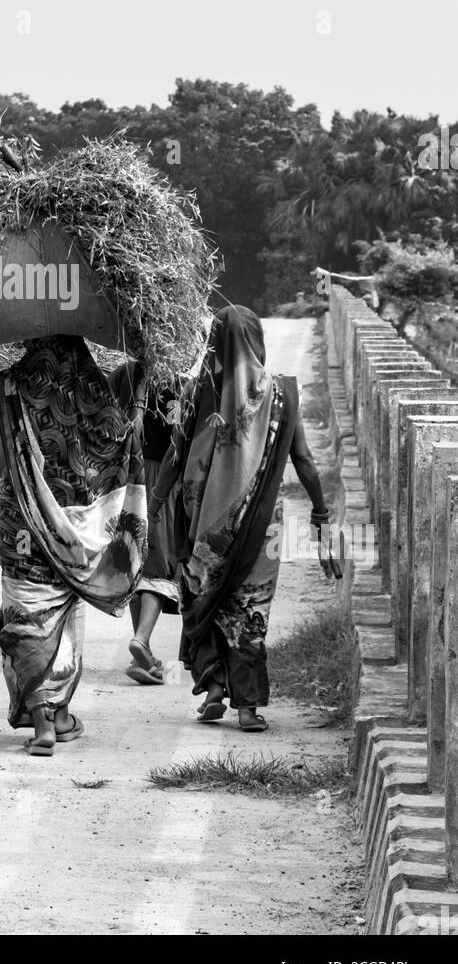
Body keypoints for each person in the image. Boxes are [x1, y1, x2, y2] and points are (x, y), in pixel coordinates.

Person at [0, 334, 148, 755]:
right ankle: (59, 714)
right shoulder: (94, 389)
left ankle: (44, 723)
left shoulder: (4, 385)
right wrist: (143, 378)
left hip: (21, 521)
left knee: (28, 613)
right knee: (65, 615)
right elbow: (122, 438)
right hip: (75, 527)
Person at [149, 306, 329, 732]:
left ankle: (213, 688)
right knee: (249, 608)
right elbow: (302, 458)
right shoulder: (282, 393)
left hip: (203, 526)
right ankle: (247, 708)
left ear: (215, 342)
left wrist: (153, 508)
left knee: (203, 600)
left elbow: (175, 456)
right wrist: (321, 511)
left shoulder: (199, 391)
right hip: (260, 525)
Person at [110, 369, 180, 686]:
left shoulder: (125, 373)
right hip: (160, 481)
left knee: (135, 565)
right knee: (158, 570)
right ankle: (141, 640)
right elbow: (179, 441)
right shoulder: (177, 384)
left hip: (127, 479)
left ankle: (145, 653)